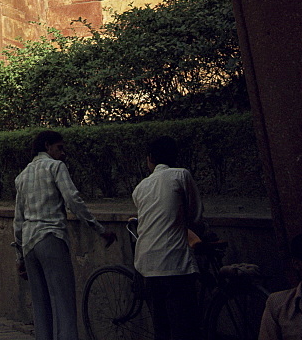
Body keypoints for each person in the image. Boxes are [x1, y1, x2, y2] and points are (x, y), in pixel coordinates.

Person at [13, 130, 116, 340]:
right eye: (59, 147)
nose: (63, 153)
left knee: (41, 309)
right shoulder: (55, 167)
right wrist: (99, 229)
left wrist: (20, 256)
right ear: (48, 146)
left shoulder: (22, 176)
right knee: (64, 304)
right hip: (51, 237)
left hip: (30, 244)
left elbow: (18, 219)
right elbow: (73, 200)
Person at [132, 135, 208, 340]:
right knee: (184, 327)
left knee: (162, 327)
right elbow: (194, 215)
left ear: (150, 158)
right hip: (175, 264)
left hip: (147, 265)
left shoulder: (140, 188)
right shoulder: (181, 176)